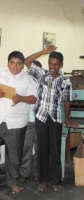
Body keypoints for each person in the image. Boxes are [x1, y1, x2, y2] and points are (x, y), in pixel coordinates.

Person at [24, 45, 78, 191]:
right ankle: (43, 180)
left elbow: (67, 100)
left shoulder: (66, 81)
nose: (52, 66)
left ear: (61, 65)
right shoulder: (42, 74)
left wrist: (67, 118)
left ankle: (56, 181)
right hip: (41, 116)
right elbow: (27, 61)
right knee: (42, 149)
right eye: (50, 63)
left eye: (56, 64)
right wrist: (43, 52)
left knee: (55, 150)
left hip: (55, 118)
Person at [0, 51, 37, 194]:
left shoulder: (28, 79)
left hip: (16, 122)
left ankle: (13, 182)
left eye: (18, 64)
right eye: (12, 63)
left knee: (14, 156)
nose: (15, 67)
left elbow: (34, 98)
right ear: (8, 62)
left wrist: (21, 98)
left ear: (22, 65)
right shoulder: (0, 73)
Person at [19, 60, 42, 182]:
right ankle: (24, 172)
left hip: (39, 121)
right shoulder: (24, 82)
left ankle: (37, 172)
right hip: (27, 121)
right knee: (25, 148)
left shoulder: (42, 84)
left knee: (39, 148)